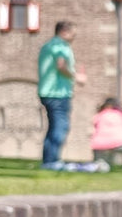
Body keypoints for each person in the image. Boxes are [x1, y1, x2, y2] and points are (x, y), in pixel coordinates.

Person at [37, 21, 86, 169]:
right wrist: (76, 77)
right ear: (64, 31)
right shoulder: (61, 46)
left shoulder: (48, 45)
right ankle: (52, 161)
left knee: (54, 127)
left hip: (48, 93)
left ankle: (49, 161)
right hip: (57, 93)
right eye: (73, 34)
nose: (74, 38)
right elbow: (61, 65)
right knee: (61, 126)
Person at [89, 97, 122, 172]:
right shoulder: (121, 114)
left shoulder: (99, 115)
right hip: (119, 143)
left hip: (99, 145)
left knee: (103, 168)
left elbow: (92, 130)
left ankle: (101, 167)